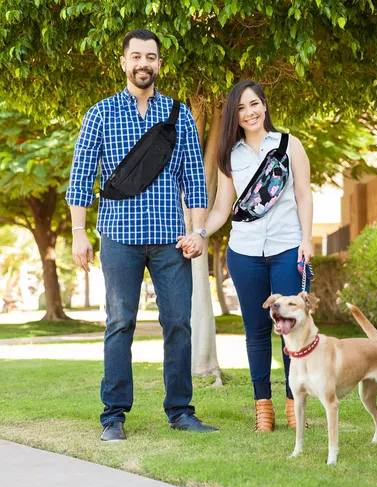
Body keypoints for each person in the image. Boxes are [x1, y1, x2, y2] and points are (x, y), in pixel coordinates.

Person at [66, 28, 218, 441]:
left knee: (178, 324)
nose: (143, 64)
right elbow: (81, 178)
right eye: (136, 57)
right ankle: (113, 416)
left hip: (171, 238)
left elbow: (194, 181)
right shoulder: (100, 114)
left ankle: (180, 411)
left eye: (150, 57)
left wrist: (199, 230)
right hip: (117, 236)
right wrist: (80, 233)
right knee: (119, 324)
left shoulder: (178, 114)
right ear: (123, 62)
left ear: (159, 65)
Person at [178, 80, 313, 431]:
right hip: (245, 252)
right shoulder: (229, 155)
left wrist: (308, 240)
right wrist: (201, 232)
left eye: (254, 104)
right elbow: (223, 208)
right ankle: (262, 408)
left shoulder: (288, 145)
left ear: (265, 105)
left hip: (287, 248)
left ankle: (292, 405)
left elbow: (303, 195)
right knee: (255, 330)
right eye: (240, 108)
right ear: (233, 116)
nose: (249, 112)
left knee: (291, 329)